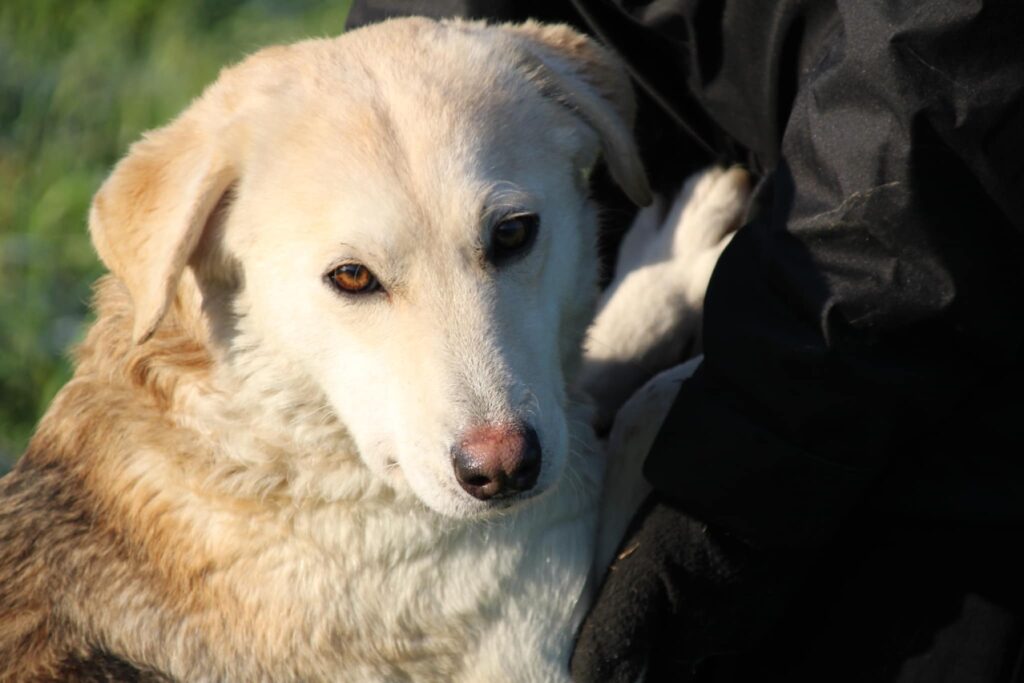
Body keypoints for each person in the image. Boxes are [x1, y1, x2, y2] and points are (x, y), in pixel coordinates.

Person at [348, 2, 1024, 681]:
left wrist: (738, 453)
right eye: (354, 277)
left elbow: (935, 104)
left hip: (944, 346)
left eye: (510, 235)